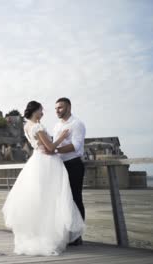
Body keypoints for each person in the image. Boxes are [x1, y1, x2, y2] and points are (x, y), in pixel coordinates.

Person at [2, 101, 85, 256]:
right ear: (35, 111)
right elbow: (51, 148)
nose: (43, 113)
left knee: (41, 199)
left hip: (36, 161)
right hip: (47, 162)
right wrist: (61, 137)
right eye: (41, 110)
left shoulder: (26, 126)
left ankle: (42, 233)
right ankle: (55, 235)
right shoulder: (37, 126)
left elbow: (43, 146)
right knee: (53, 198)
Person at [53, 97, 86, 246]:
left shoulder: (77, 124)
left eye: (60, 107)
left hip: (73, 164)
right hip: (59, 165)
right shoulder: (56, 126)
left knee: (75, 198)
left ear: (68, 107)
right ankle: (66, 234)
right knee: (63, 200)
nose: (57, 110)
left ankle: (77, 236)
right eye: (56, 108)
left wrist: (54, 149)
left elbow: (76, 146)